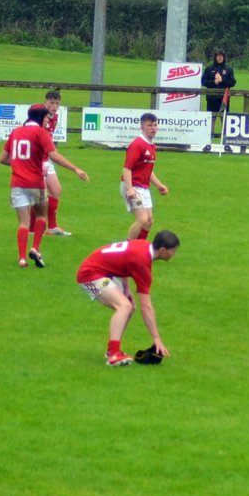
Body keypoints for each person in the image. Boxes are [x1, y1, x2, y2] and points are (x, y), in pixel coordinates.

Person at [0, 103, 89, 268]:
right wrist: (75, 168)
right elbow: (53, 155)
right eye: (47, 117)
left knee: (23, 222)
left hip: (17, 183)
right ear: (41, 117)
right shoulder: (41, 133)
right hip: (36, 182)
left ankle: (22, 259)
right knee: (41, 216)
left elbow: (2, 158)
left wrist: (20, 164)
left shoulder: (16, 132)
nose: (48, 120)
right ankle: (35, 248)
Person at [74, 230, 180, 367]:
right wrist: (156, 338)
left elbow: (124, 260)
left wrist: (126, 288)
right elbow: (146, 306)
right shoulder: (142, 263)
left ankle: (112, 350)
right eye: (173, 251)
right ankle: (113, 355)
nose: (174, 254)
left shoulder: (143, 245)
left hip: (100, 272)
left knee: (129, 306)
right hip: (88, 276)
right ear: (163, 250)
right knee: (124, 306)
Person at [121, 112, 168, 241]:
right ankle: (128, 247)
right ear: (141, 127)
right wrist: (130, 189)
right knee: (142, 219)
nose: (153, 128)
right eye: (149, 125)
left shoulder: (151, 145)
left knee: (149, 221)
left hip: (143, 188)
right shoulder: (137, 144)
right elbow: (127, 168)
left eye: (155, 125)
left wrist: (159, 185)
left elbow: (147, 170)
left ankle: (139, 246)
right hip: (133, 188)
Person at [40, 90, 72, 236]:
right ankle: (34, 228)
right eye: (51, 103)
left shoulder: (54, 117)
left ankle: (52, 227)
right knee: (40, 196)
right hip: (37, 160)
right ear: (45, 102)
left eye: (57, 103)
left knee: (56, 190)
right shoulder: (41, 117)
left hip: (47, 158)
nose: (54, 106)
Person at [201, 50, 236, 115]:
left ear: (224, 57)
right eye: (218, 56)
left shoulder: (229, 69)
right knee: (211, 118)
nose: (220, 58)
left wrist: (222, 80)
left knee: (224, 119)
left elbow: (232, 82)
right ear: (215, 57)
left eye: (221, 56)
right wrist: (214, 82)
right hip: (211, 99)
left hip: (224, 99)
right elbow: (203, 81)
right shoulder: (209, 69)